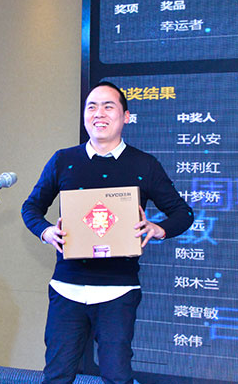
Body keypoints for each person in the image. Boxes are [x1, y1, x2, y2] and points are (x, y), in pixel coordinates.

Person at [21, 82, 193, 384]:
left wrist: (158, 228)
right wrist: (46, 231)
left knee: (117, 376)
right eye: (91, 107)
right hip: (67, 287)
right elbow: (31, 207)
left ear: (126, 116)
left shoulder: (144, 164)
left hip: (118, 290)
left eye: (108, 106)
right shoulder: (63, 160)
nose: (98, 113)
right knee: (57, 375)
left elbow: (183, 213)